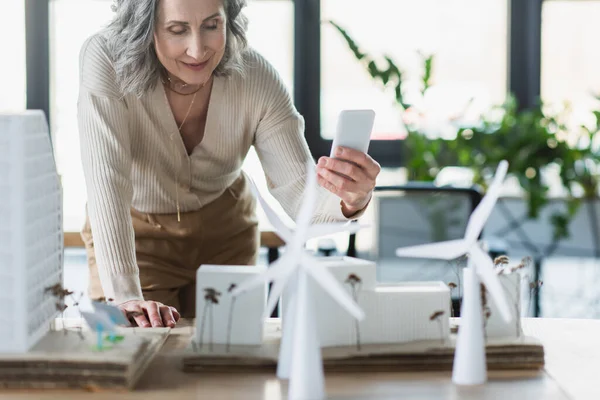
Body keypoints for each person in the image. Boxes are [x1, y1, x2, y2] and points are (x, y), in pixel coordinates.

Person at [78, 0, 381, 328]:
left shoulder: (255, 77)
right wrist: (124, 294)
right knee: (137, 352)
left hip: (227, 237)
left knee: (233, 359)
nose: (197, 50)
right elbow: (107, 180)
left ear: (229, 19)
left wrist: (351, 198)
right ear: (145, 26)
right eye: (177, 30)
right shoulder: (107, 59)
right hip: (135, 239)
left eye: (211, 26)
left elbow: (300, 196)